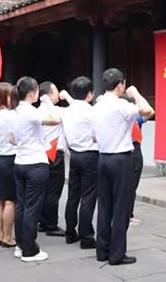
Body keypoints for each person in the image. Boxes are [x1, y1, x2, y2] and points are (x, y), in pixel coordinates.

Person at [91, 68, 154, 266]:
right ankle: (117, 254)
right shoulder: (121, 105)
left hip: (103, 158)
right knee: (121, 207)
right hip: (120, 159)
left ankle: (102, 250)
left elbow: (93, 137)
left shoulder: (96, 106)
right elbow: (147, 110)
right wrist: (135, 93)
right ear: (120, 85)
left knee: (104, 207)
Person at [10, 76, 60, 262]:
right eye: (37, 91)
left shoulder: (14, 112)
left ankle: (21, 245)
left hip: (20, 162)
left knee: (22, 206)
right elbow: (55, 119)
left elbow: (11, 139)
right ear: (31, 93)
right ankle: (30, 250)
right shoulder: (30, 111)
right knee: (32, 208)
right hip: (35, 163)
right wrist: (47, 102)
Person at [59, 76, 98, 249]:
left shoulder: (66, 111)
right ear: (90, 94)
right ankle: (86, 237)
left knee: (73, 196)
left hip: (74, 155)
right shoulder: (92, 112)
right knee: (88, 197)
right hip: (91, 155)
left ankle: (70, 232)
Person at [36, 81, 66, 237]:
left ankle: (42, 221)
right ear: (48, 95)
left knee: (44, 189)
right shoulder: (55, 111)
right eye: (56, 91)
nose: (58, 93)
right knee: (53, 191)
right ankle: (51, 224)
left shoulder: (37, 111)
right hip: (54, 154)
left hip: (43, 154)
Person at [120, 94, 154, 226]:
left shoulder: (116, 119)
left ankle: (123, 213)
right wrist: (136, 94)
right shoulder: (134, 119)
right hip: (134, 152)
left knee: (122, 186)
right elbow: (150, 111)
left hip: (120, 154)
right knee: (131, 186)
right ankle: (128, 215)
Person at [0, 82, 18, 248]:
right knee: (10, 201)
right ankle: (8, 237)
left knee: (0, 200)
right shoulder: (11, 116)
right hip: (9, 159)